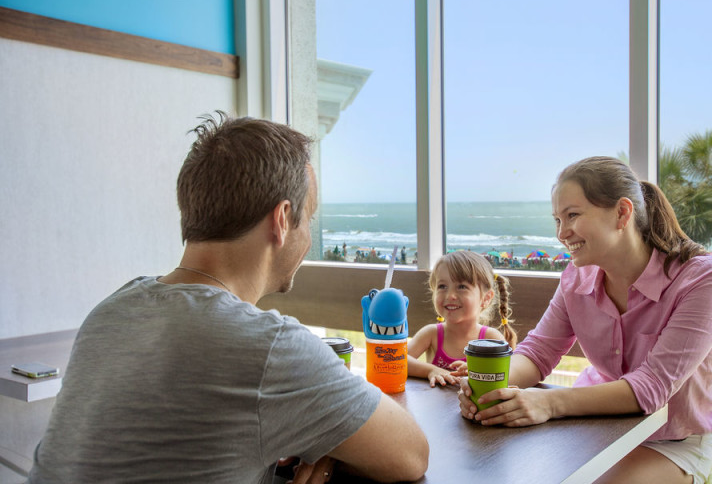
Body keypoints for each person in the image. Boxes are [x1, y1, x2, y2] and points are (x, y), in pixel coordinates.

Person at [28, 113, 428, 484]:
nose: (307, 237)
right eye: (309, 219)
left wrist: (311, 428)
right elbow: (411, 454)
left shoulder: (111, 311)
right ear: (282, 220)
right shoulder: (269, 347)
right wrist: (332, 439)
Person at [458, 156, 712, 484]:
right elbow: (537, 353)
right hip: (593, 425)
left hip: (670, 442)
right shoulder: (575, 278)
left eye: (572, 215)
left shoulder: (700, 279)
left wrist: (550, 403)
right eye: (557, 219)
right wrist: (489, 388)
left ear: (622, 213)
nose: (561, 233)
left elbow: (653, 387)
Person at [408, 250, 518, 387]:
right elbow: (398, 361)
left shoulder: (491, 339)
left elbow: (508, 374)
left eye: (462, 287)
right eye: (442, 286)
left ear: (486, 298)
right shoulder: (431, 334)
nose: (450, 295)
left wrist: (477, 372)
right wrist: (431, 370)